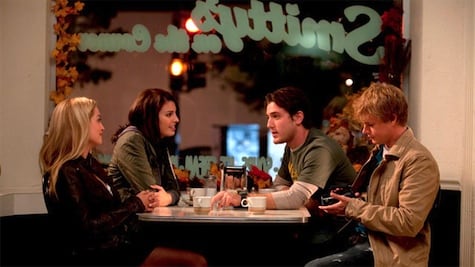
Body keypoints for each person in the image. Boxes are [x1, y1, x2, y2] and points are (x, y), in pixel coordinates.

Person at [39, 97, 207, 266]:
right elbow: (86, 228)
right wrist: (136, 203)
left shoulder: (91, 165)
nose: (103, 127)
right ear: (79, 125)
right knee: (195, 262)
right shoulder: (66, 172)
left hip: (117, 245)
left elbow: (111, 208)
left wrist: (138, 201)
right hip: (102, 255)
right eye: (98, 120)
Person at [211, 86, 357, 262]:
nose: (269, 124)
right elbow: (280, 186)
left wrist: (242, 199)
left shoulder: (320, 149)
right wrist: (295, 195)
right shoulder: (292, 146)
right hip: (312, 232)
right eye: (268, 117)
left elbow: (294, 198)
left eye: (276, 116)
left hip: (339, 238)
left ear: (298, 117)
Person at [305, 82, 440, 267]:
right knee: (300, 249)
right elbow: (377, 204)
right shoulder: (379, 152)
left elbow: (408, 222)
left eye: (370, 125)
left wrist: (354, 207)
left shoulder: (419, 161)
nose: (364, 131)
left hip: (391, 252)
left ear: (392, 118)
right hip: (365, 238)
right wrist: (348, 202)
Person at [108, 88, 181, 207]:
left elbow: (175, 189)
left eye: (175, 113)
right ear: (151, 117)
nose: (176, 119)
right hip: (127, 220)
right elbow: (151, 196)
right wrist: (168, 196)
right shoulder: (131, 140)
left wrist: (168, 197)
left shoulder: (158, 143)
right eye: (169, 114)